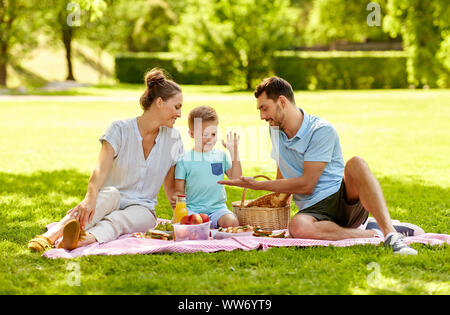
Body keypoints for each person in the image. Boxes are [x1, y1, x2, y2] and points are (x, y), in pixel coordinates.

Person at [219, 76, 423, 255]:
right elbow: (283, 173)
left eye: (264, 108)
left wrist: (260, 185)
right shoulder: (275, 130)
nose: (262, 116)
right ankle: (372, 232)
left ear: (282, 101)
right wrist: (271, 202)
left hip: (341, 201)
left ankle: (391, 235)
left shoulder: (320, 130)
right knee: (297, 226)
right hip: (313, 212)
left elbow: (307, 185)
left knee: (356, 164)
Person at [28, 68, 184, 251]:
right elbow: (100, 169)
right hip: (112, 196)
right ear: (159, 102)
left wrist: (180, 214)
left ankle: (81, 240)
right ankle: (51, 236)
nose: (179, 114)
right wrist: (89, 198)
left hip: (143, 209)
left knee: (124, 220)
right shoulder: (119, 129)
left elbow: (170, 182)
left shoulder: (174, 138)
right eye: (177, 107)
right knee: (107, 197)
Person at [173, 106, 241, 229]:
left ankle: (208, 226)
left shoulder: (221, 156)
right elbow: (179, 190)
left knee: (232, 222)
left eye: (213, 134)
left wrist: (234, 152)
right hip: (193, 210)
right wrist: (178, 203)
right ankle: (205, 227)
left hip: (218, 210)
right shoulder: (184, 160)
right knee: (185, 224)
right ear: (191, 134)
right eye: (204, 134)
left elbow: (236, 179)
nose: (210, 138)